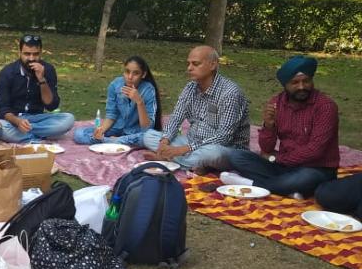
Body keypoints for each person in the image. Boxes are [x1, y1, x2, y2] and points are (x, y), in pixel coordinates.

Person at [220, 56, 338, 197]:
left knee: (304, 178)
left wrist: (276, 159)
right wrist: (268, 126)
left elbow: (314, 151)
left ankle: (250, 184)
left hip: (315, 168)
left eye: (306, 81)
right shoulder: (277, 103)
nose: (301, 87)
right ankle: (287, 189)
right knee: (237, 156)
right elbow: (267, 149)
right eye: (295, 82)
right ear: (285, 85)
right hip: (283, 167)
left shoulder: (325, 106)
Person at [143, 45, 249, 171]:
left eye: (195, 64)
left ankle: (172, 160)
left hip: (224, 148)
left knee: (212, 155)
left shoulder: (230, 93)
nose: (189, 68)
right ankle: (186, 162)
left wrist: (184, 149)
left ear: (213, 65)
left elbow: (224, 137)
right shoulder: (190, 88)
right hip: (191, 141)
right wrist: (164, 142)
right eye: (188, 64)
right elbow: (176, 117)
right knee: (149, 136)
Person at [0, 34, 76, 143]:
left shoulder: (48, 70)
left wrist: (41, 79)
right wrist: (18, 122)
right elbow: (2, 109)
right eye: (27, 54)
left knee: (68, 119)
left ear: (41, 53)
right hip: (13, 119)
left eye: (35, 54)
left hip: (37, 118)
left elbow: (51, 106)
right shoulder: (7, 72)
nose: (31, 58)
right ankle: (40, 137)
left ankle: (26, 136)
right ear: (19, 53)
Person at [74, 56, 161, 146]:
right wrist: (100, 131)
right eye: (127, 72)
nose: (130, 77)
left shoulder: (148, 90)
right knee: (79, 134)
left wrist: (139, 102)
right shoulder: (115, 85)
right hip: (116, 128)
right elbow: (111, 115)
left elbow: (146, 128)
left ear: (143, 74)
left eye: (136, 73)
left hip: (135, 133)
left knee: (148, 137)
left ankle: (113, 141)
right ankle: (109, 140)